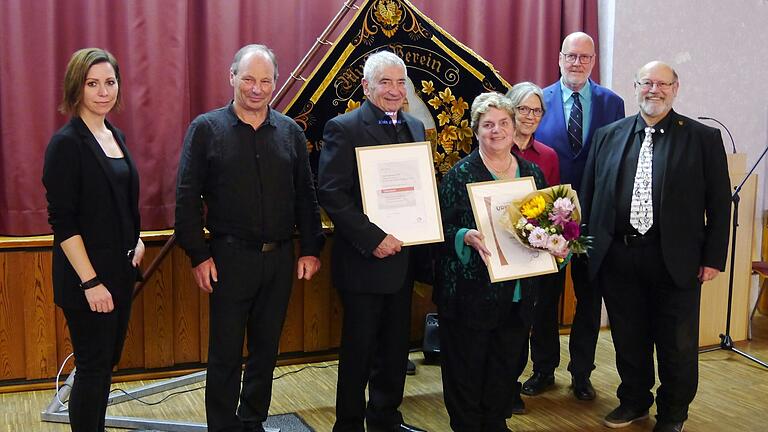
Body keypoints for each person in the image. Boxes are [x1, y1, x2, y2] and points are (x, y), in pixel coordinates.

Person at [175, 44, 324, 432]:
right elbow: (187, 197)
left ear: (275, 82)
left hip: (278, 259)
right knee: (224, 354)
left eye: (265, 80)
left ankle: (252, 421)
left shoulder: (290, 132)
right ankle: (222, 426)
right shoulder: (206, 129)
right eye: (248, 79)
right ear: (232, 78)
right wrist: (197, 255)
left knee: (265, 352)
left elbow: (306, 197)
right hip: (227, 259)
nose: (256, 88)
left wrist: (310, 248)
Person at [580, 61, 731, 432]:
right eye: (647, 82)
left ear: (676, 88)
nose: (654, 90)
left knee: (675, 344)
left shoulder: (702, 138)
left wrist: (713, 258)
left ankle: (673, 413)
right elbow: (590, 194)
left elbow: (720, 202)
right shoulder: (608, 135)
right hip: (619, 257)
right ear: (635, 87)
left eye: (663, 83)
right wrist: (586, 247)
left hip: (676, 260)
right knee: (628, 338)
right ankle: (633, 401)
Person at [317, 50, 427, 432]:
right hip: (365, 261)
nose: (395, 90)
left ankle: (385, 418)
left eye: (401, 82)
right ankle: (348, 424)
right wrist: (374, 239)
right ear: (366, 86)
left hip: (404, 259)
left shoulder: (415, 127)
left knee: (396, 348)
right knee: (359, 350)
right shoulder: (343, 128)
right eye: (385, 82)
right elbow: (331, 193)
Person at [43, 47, 144, 431]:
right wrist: (91, 282)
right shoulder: (67, 143)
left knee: (104, 368)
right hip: (88, 282)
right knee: (92, 368)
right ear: (77, 88)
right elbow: (63, 222)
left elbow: (117, 203)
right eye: (92, 84)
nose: (103, 91)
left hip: (118, 274)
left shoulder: (112, 134)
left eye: (110, 82)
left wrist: (137, 240)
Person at [435, 91, 547, 431]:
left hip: (517, 292)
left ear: (514, 129)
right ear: (476, 131)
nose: (496, 131)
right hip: (471, 295)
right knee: (467, 368)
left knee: (506, 364)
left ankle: (495, 421)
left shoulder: (533, 174)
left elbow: (542, 226)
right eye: (487, 125)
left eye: (502, 123)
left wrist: (554, 240)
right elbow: (441, 227)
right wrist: (464, 236)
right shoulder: (460, 174)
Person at [522, 31, 625, 401]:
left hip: (595, 220)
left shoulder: (613, 103)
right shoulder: (538, 101)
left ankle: (582, 373)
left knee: (589, 298)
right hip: (546, 224)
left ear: (593, 61)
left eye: (584, 57)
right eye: (571, 56)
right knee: (545, 300)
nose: (577, 62)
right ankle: (543, 369)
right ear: (560, 58)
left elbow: (617, 160)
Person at [503, 82, 560, 416]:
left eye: (536, 110)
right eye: (523, 109)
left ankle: (532, 376)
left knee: (531, 317)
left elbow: (554, 206)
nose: (529, 116)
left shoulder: (548, 156)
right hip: (498, 250)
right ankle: (501, 384)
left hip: (532, 251)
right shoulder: (496, 145)